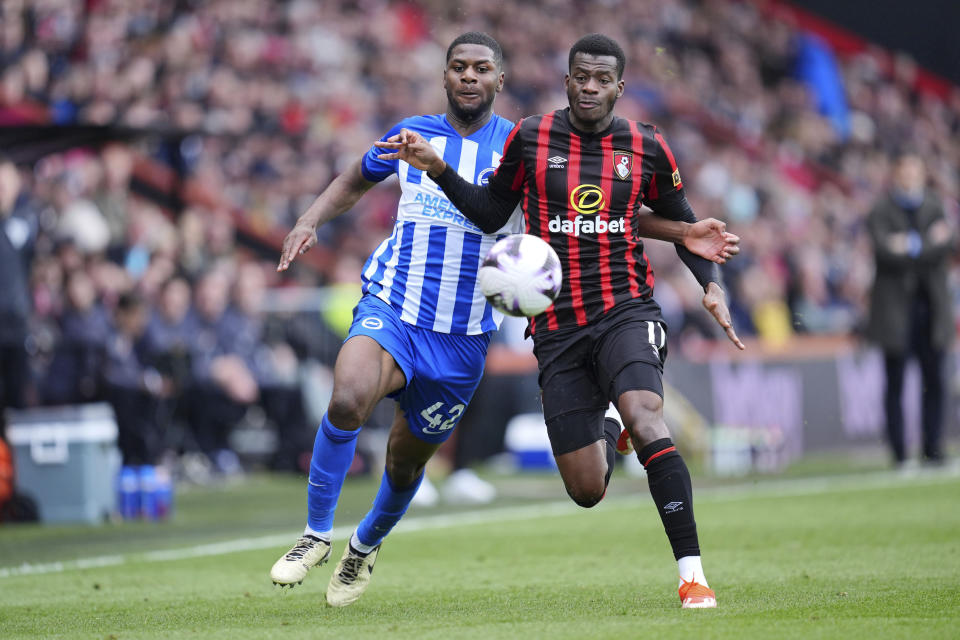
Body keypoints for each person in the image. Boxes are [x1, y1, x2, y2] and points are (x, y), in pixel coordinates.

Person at [269, 32, 739, 608]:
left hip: (490, 329)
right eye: (459, 67)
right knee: (349, 398)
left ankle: (365, 546)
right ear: (444, 76)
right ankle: (315, 533)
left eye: (481, 68)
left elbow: (629, 215)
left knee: (408, 456)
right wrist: (310, 218)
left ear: (500, 77)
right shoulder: (453, 136)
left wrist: (697, 258)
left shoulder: (564, 143)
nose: (469, 77)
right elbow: (370, 181)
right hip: (407, 306)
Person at [866, 152, 953, 467]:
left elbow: (949, 243)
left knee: (935, 381)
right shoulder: (881, 209)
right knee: (896, 382)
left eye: (914, 169)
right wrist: (926, 244)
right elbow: (885, 251)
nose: (909, 175)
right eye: (904, 169)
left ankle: (933, 448)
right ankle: (900, 453)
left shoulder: (934, 204)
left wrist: (910, 244)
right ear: (895, 172)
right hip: (896, 311)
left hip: (930, 308)